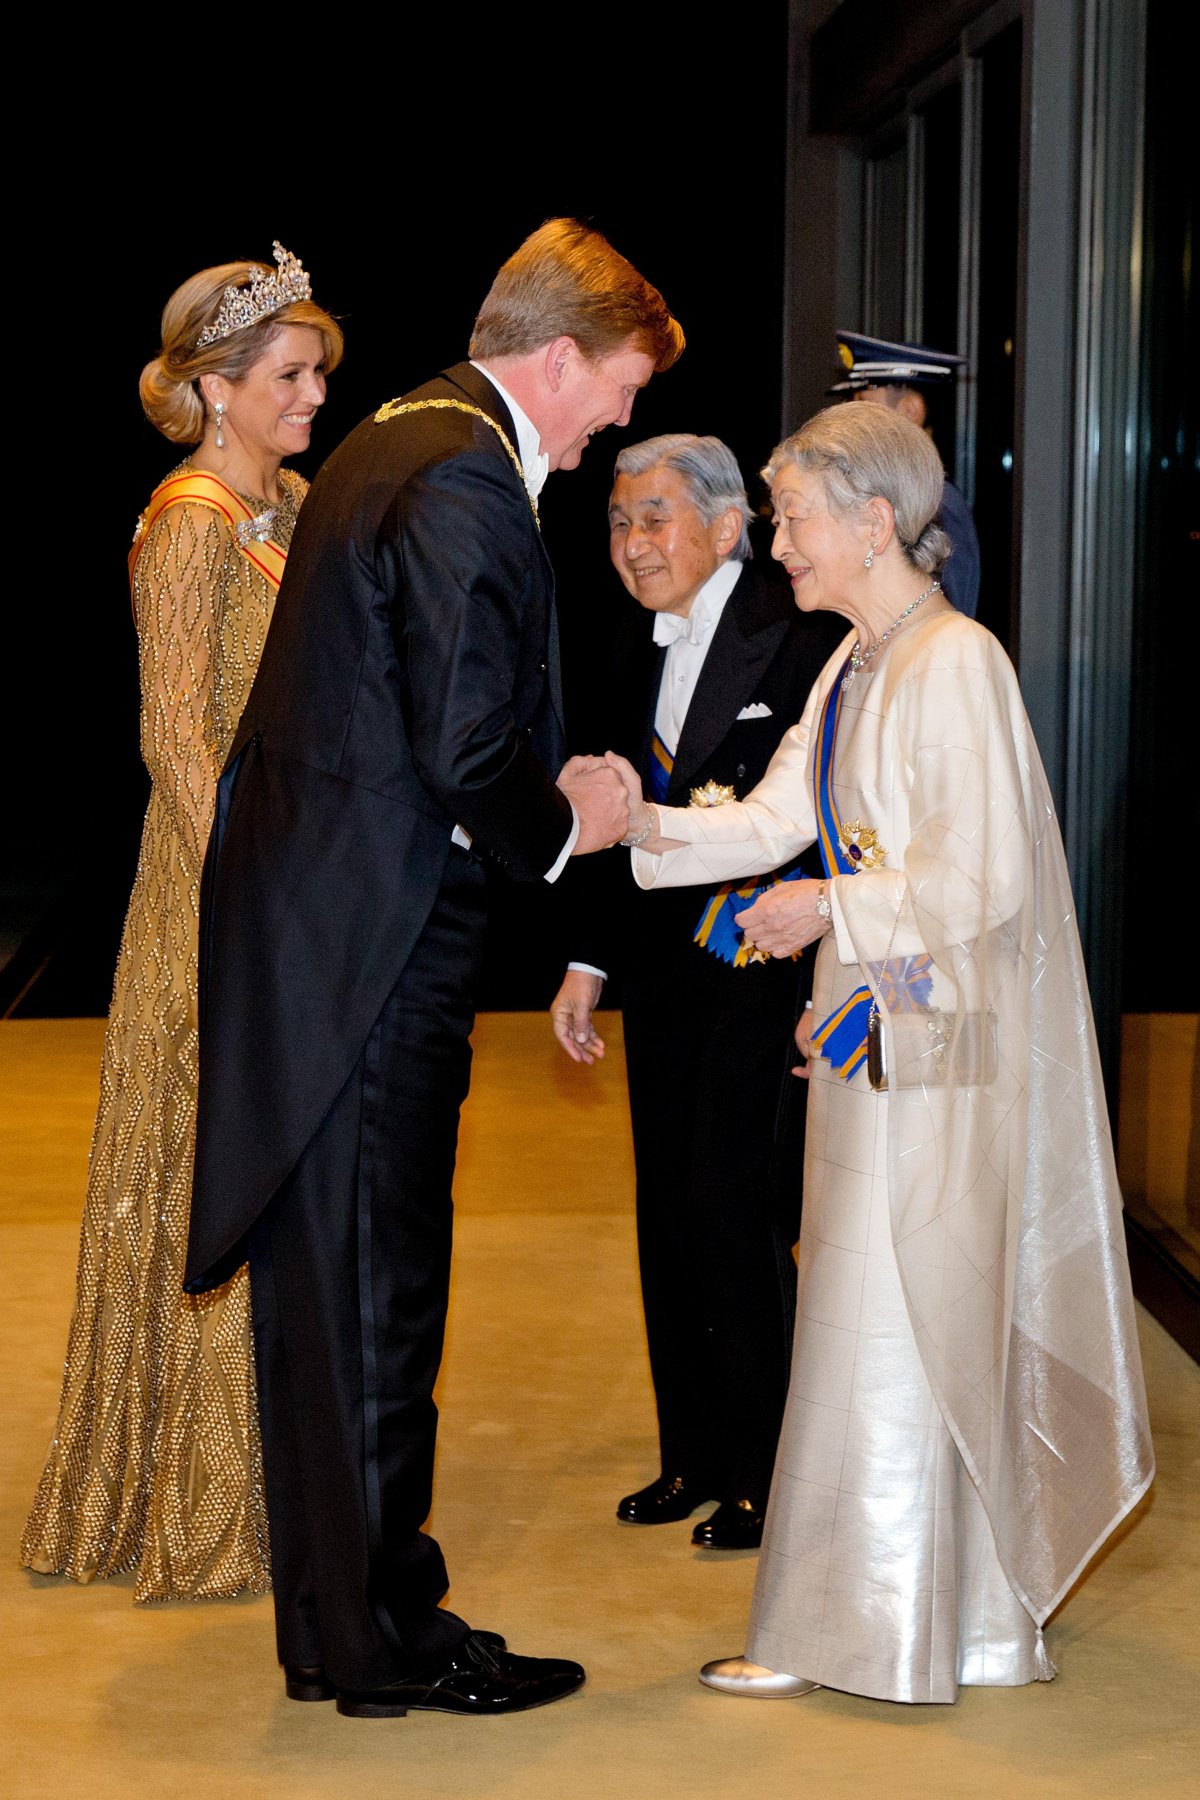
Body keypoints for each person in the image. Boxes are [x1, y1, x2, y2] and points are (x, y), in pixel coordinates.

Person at [182, 220, 683, 1718]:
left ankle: (341, 1628)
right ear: (560, 358)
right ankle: (391, 1643)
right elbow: (465, 750)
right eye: (623, 388)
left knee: (329, 1313)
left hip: (320, 943)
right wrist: (574, 815)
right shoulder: (464, 471)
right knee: (374, 1305)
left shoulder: (405, 431)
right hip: (367, 964)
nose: (623, 423)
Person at [607, 402, 1154, 1704]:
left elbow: (987, 873)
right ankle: (931, 1624)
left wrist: (825, 909)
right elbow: (772, 818)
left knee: (899, 1316)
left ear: (871, 520)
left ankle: (889, 1628)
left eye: (791, 517)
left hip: (939, 1046)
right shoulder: (854, 664)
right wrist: (621, 825)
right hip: (878, 1034)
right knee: (872, 1319)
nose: (777, 541)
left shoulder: (954, 661)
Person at [22, 245, 342, 1601]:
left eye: (320, 370)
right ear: (217, 391)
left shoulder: (299, 504)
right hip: (218, 889)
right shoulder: (194, 519)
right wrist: (253, 903)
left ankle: (287, 1475)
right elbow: (172, 736)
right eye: (290, 374)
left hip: (297, 872)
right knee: (216, 1150)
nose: (316, 393)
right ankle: (199, 1498)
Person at [550, 434, 843, 1549]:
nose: (633, 544)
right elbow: (609, 818)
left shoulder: (805, 631)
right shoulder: (631, 637)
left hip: (762, 972)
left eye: (656, 518)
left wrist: (828, 966)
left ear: (727, 526)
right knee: (666, 1214)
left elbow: (819, 821)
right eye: (620, 521)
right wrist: (589, 963)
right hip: (664, 977)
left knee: (737, 1214)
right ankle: (696, 1457)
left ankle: (771, 1470)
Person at [830, 329, 980, 617]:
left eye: (863, 404)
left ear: (911, 411)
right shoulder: (895, 496)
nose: (854, 418)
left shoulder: (939, 506)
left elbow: (948, 625)